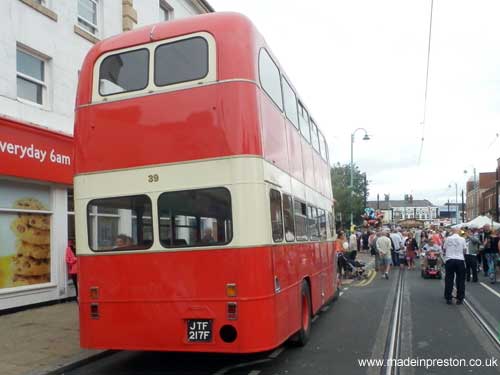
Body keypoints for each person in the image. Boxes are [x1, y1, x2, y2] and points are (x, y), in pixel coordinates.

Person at [443, 228, 467, 305]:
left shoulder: (448, 239)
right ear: (459, 232)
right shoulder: (462, 239)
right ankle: (460, 298)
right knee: (460, 279)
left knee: (449, 278)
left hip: (450, 259)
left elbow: (444, 249)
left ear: (452, 232)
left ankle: (448, 297)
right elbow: (464, 250)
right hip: (459, 260)